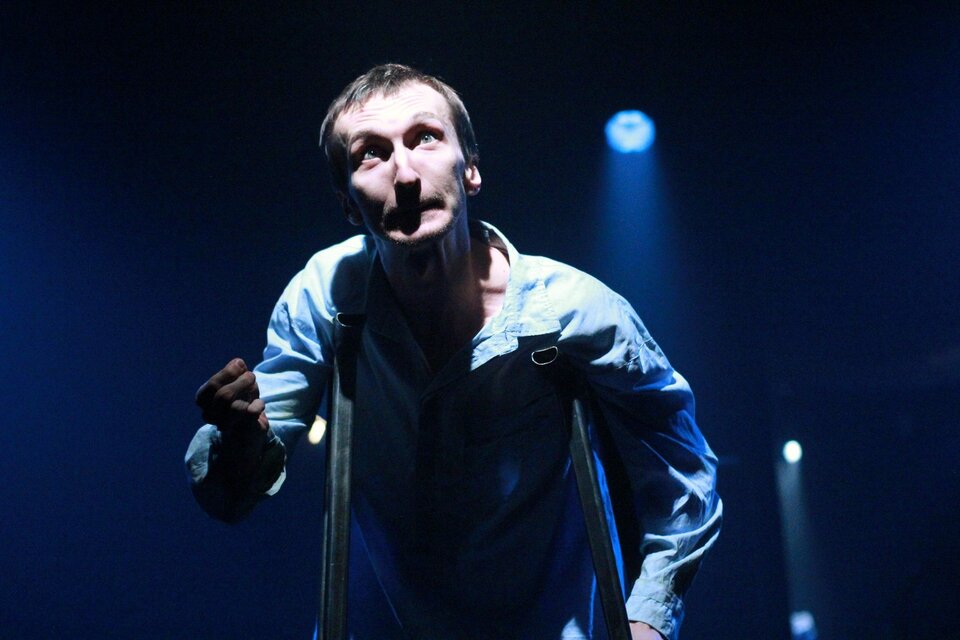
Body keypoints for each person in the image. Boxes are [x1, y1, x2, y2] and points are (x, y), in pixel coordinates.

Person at [186, 64, 721, 640]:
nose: (405, 174)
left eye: (425, 138)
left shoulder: (573, 309)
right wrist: (240, 439)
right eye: (371, 153)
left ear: (470, 171)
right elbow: (230, 496)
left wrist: (649, 617)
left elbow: (681, 471)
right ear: (348, 205)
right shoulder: (326, 294)